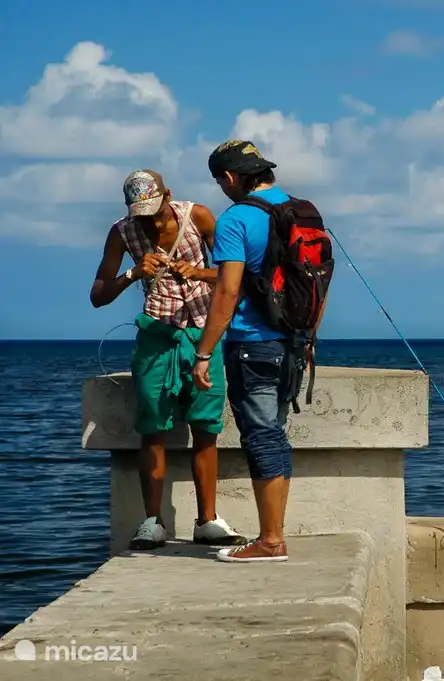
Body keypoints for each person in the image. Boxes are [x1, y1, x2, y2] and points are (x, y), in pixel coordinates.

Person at [90, 169, 247, 550]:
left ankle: (207, 520)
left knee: (206, 427)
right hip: (156, 335)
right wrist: (131, 274)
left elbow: (234, 276)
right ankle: (152, 522)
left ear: (169, 196)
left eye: (155, 210)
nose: (150, 220)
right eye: (141, 213)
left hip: (201, 336)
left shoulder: (199, 217)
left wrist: (198, 272)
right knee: (152, 430)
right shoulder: (122, 232)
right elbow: (97, 295)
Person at [193, 140, 314, 563]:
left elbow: (227, 290)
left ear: (229, 178)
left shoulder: (236, 218)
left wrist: (204, 351)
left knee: (262, 438)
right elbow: (317, 279)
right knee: (276, 435)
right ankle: (273, 535)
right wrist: (307, 335)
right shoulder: (304, 211)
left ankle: (271, 540)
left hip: (251, 344)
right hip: (294, 343)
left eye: (219, 181)